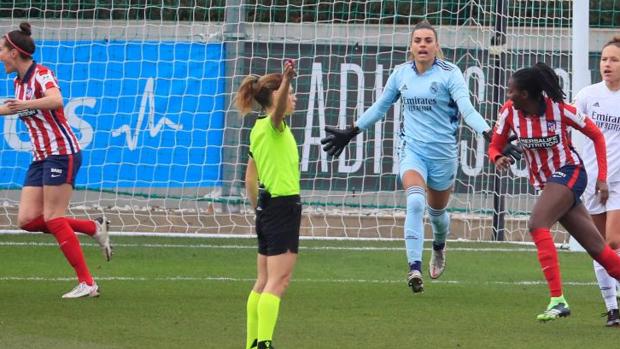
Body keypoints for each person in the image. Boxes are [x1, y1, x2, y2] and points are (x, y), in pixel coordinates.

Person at [321, 21, 519, 293]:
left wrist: (492, 137)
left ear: (437, 46)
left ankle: (438, 247)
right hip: (412, 151)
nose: (423, 45)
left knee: (438, 214)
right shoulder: (401, 74)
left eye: (428, 40)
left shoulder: (451, 74)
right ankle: (414, 268)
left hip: (443, 155)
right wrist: (351, 132)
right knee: (415, 202)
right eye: (418, 41)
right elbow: (380, 107)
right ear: (411, 47)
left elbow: (468, 110)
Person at [489, 62, 620, 321]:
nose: (508, 95)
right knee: (600, 251)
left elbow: (596, 135)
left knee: (537, 223)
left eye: (511, 91)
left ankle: (558, 300)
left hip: (570, 173)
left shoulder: (559, 110)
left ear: (525, 94)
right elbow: (495, 145)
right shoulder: (509, 112)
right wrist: (497, 158)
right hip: (548, 184)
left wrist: (602, 178)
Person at [0, 23, 112, 298]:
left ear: (14, 53)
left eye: (2, 50)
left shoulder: (41, 74)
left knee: (53, 217)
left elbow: (56, 100)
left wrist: (25, 105)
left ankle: (88, 283)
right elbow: (11, 107)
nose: (0, 55)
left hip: (62, 153)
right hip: (41, 157)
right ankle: (91, 227)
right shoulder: (18, 83)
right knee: (27, 220)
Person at [236, 59, 300, 349]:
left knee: (262, 281)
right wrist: (286, 78)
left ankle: (252, 343)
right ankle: (264, 343)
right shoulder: (273, 125)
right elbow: (278, 108)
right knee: (279, 281)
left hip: (267, 207)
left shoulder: (258, 129)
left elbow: (250, 177)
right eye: (290, 92)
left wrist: (258, 209)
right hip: (283, 207)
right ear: (276, 96)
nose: (294, 97)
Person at [575, 35, 620, 327]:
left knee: (614, 240)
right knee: (598, 245)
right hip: (593, 180)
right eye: (604, 59)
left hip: (619, 181)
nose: (607, 64)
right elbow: (566, 125)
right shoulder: (587, 96)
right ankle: (611, 307)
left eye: (614, 59)